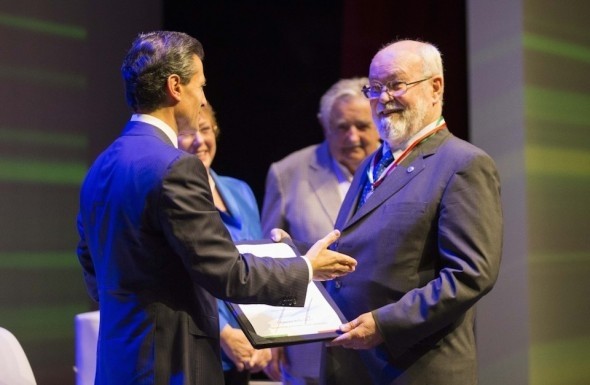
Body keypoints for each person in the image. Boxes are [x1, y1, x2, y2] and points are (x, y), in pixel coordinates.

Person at [75, 31, 357, 385]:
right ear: (175, 87)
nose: (203, 99)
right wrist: (305, 268)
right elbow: (225, 272)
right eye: (201, 86)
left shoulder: (100, 167)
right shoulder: (176, 166)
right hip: (172, 367)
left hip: (119, 364)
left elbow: (90, 264)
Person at [322, 39, 503, 385]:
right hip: (353, 367)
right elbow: (361, 251)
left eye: (395, 84)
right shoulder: (371, 164)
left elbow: (469, 275)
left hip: (416, 370)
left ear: (435, 87)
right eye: (373, 88)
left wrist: (385, 325)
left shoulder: (464, 164)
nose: (382, 98)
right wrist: (297, 254)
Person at [261, 77, 380, 384]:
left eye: (362, 126)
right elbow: (268, 259)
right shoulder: (287, 174)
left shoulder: (401, 172)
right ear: (324, 124)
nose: (352, 137)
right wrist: (273, 335)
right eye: (342, 127)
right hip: (309, 347)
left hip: (381, 341)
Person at [177, 103, 272, 385]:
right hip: (197, 353)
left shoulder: (239, 190)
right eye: (187, 132)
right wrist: (223, 333)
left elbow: (259, 268)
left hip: (246, 354)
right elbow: (179, 280)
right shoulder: (172, 195)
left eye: (205, 129)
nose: (199, 141)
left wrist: (268, 337)